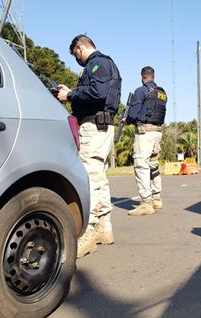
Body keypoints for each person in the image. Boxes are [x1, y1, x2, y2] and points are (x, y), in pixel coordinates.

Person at [57, 34, 121, 258]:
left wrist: (70, 94)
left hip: (94, 126)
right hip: (101, 126)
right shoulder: (104, 63)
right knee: (99, 177)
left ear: (80, 47)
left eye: (76, 54)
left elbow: (98, 92)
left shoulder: (98, 63)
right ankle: (104, 228)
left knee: (90, 176)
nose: (78, 59)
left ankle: (90, 230)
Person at [125, 66, 167, 216]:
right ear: (153, 77)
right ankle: (156, 198)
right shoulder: (162, 93)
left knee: (141, 165)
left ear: (142, 77)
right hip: (157, 133)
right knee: (153, 165)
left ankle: (146, 203)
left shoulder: (141, 91)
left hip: (145, 134)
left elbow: (133, 114)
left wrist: (126, 120)